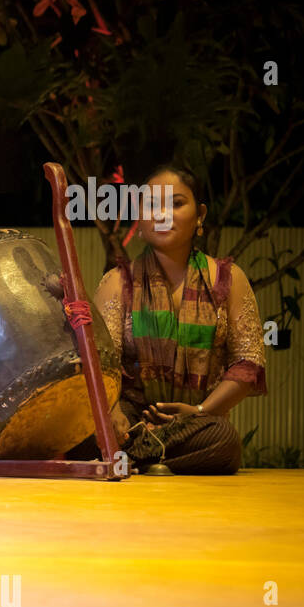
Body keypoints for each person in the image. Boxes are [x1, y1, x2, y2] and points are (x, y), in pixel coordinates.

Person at [92, 164, 266, 473]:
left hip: (198, 425)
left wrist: (199, 411)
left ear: (200, 214)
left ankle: (136, 460)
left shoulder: (229, 279)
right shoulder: (117, 283)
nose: (162, 215)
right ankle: (138, 452)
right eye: (152, 205)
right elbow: (100, 365)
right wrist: (114, 414)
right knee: (91, 434)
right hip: (132, 421)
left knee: (223, 439)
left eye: (176, 203)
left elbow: (247, 364)